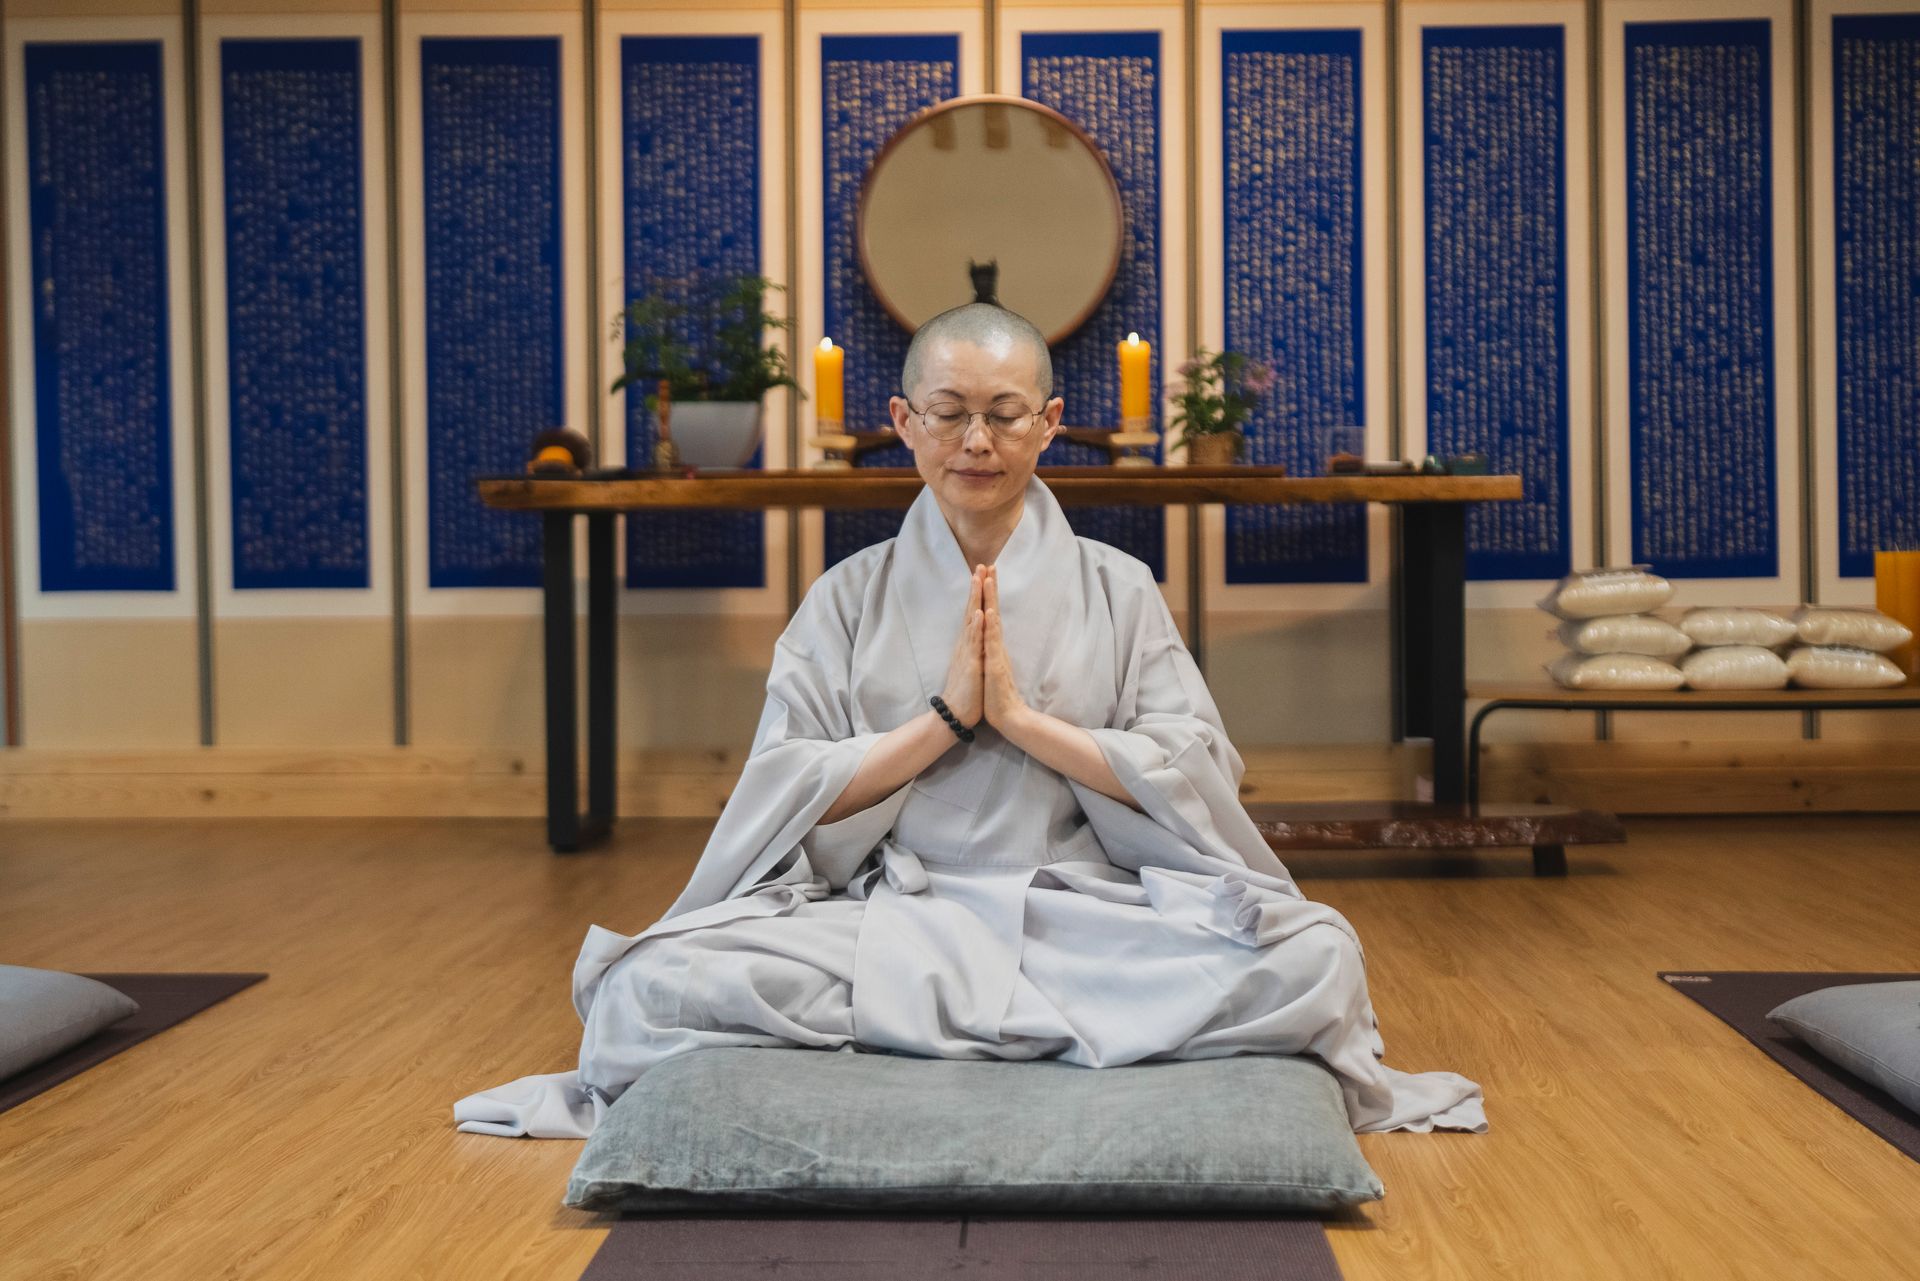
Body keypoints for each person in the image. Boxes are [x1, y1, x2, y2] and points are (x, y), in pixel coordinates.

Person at [453, 304, 1485, 1139]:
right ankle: (1056, 1037)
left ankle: (926, 1035)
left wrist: (1026, 722)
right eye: (948, 413)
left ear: (1050, 421)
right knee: (647, 985)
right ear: (904, 423)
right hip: (885, 917)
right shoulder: (846, 597)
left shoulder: (1119, 588)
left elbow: (1197, 767)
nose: (977, 441)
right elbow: (780, 789)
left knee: (1318, 959)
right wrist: (944, 721)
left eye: (1004, 413)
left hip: (1084, 916)